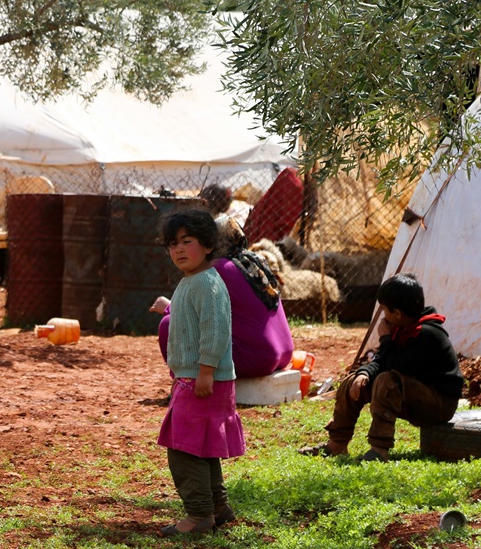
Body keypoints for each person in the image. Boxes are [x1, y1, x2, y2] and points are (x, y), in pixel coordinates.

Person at [299, 273, 462, 462]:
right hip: (412, 394)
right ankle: (337, 444)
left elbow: (397, 365)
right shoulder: (403, 328)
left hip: (439, 404)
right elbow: (383, 359)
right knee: (353, 381)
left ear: (398, 314)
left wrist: (385, 338)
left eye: (385, 311)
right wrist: (364, 374)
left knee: (387, 381)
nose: (384, 316)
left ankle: (379, 449)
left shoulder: (428, 334)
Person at [154, 208, 244, 537]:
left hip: (203, 381)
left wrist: (206, 370)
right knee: (201, 446)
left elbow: (214, 330)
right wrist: (170, 308)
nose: (178, 250)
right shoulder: (194, 280)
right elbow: (193, 317)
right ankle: (218, 507)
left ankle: (198, 515)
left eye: (186, 241)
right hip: (194, 379)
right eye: (172, 244)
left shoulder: (207, 283)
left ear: (207, 245)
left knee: (183, 449)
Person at [154, 196, 295, 379]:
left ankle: (185, 384)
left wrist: (166, 308)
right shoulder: (252, 261)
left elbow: (186, 315)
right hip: (283, 353)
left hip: (257, 360)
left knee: (168, 324)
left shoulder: (217, 268)